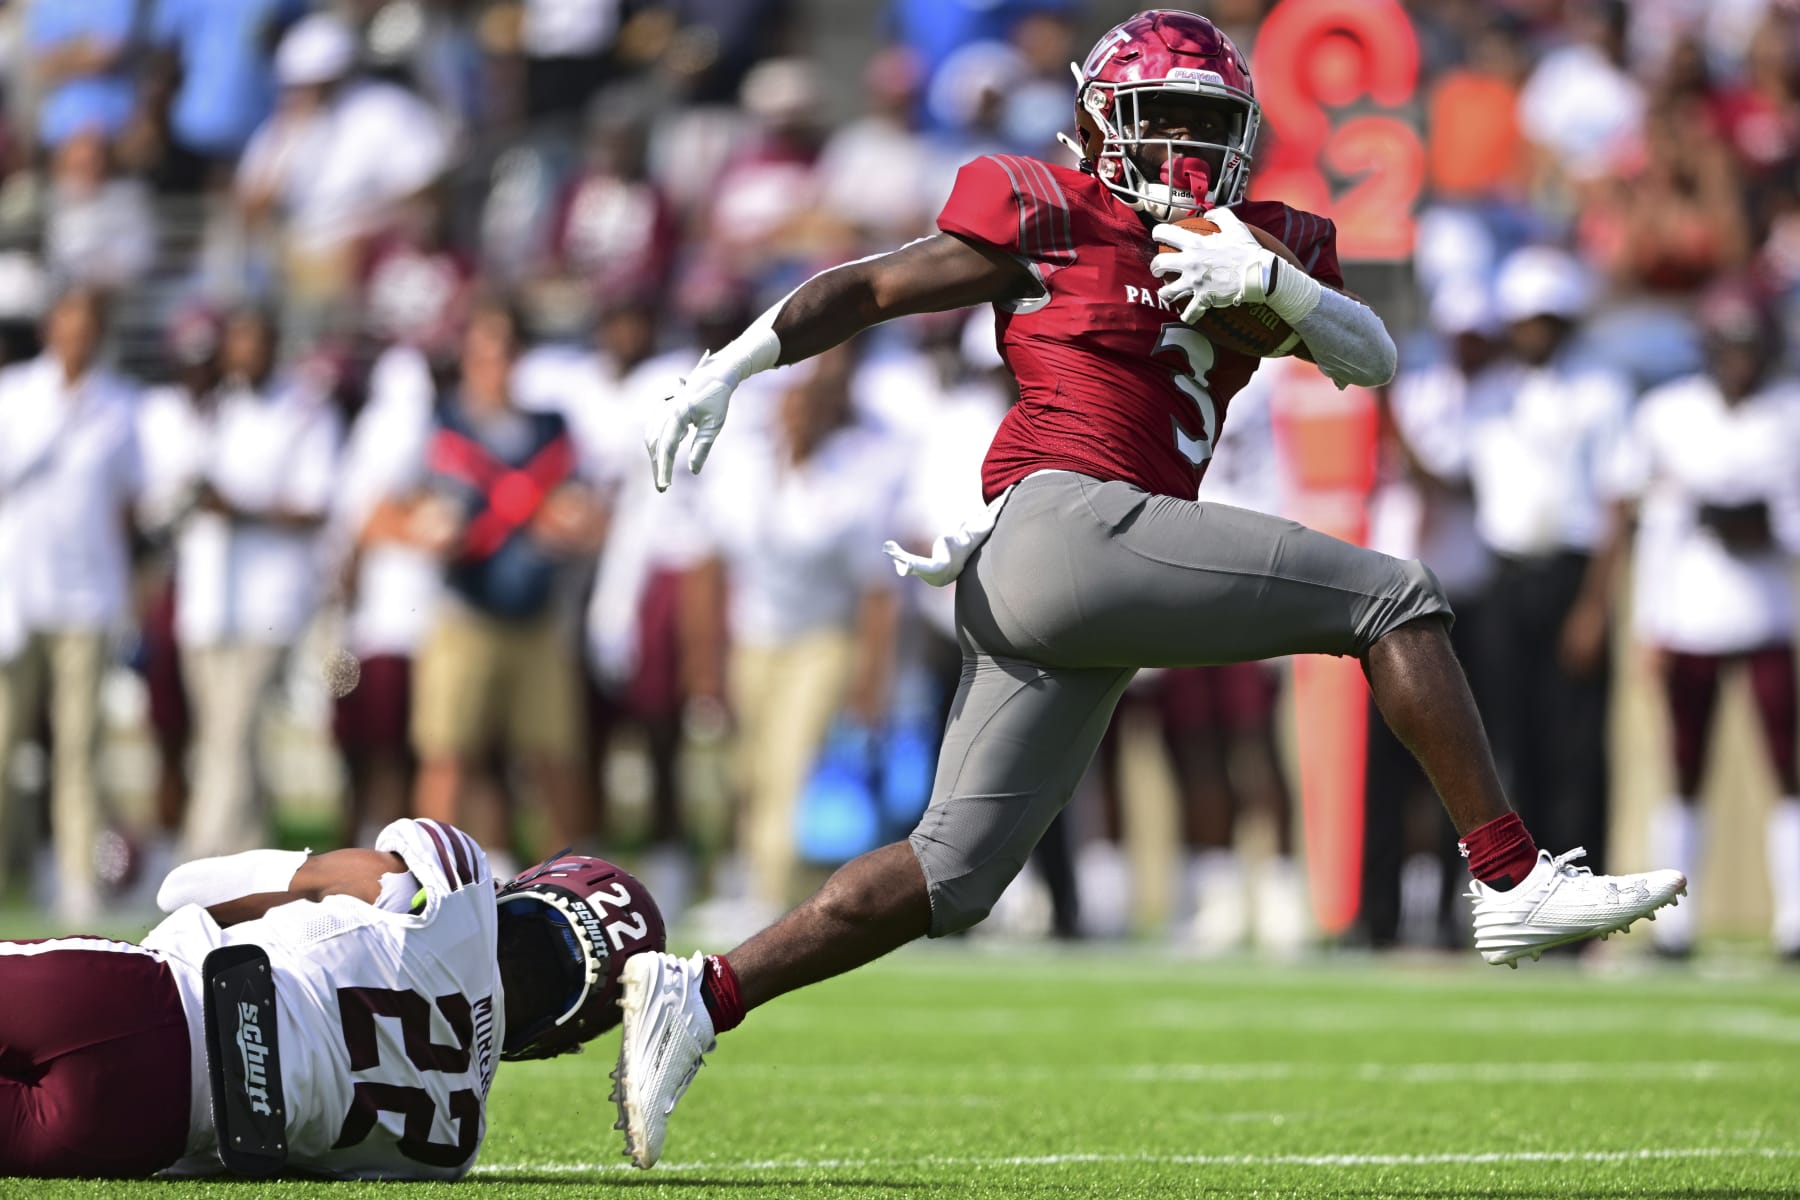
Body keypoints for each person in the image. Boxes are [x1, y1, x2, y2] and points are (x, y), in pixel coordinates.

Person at [612, 11, 1690, 1170]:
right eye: (1158, 113)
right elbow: (875, 287)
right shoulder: (1051, 213)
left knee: (951, 875)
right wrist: (728, 364)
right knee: (1393, 596)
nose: (1179, 139)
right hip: (1063, 534)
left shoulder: (1256, 248)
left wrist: (1275, 284)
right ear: (1094, 121)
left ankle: (701, 992)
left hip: (1065, 559)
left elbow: (1373, 359)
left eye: (1203, 119)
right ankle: (1511, 877)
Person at [0, 822, 665, 1178]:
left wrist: (333, 892)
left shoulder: (445, 881)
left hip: (129, 999)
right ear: (563, 1035)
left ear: (534, 887)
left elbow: (183, 887)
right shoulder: (451, 1147)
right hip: (139, 1132)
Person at [1585, 281, 1800, 958]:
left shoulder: (1789, 413)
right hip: (1690, 612)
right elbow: (1655, 529)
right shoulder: (1668, 413)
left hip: (1766, 610)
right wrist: (1650, 624)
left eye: (1748, 345)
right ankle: (1675, 920)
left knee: (1788, 768)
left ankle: (1793, 920)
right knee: (1683, 770)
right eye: (1727, 345)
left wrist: (1765, 528)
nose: (1738, 359)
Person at [0, 288, 141, 922]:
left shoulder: (119, 404)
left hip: (86, 598)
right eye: (69, 322)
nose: (77, 336)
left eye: (89, 325)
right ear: (52, 327)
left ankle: (78, 880)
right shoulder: (14, 395)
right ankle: (12, 866)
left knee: (79, 747)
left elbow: (130, 502)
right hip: (15, 594)